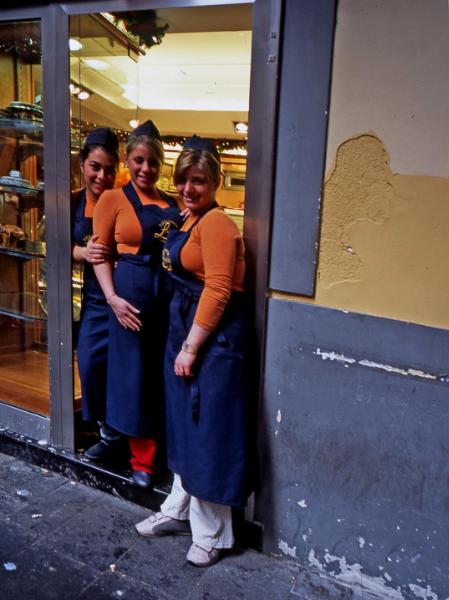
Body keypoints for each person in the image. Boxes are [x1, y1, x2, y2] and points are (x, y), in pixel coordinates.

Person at [135, 136, 249, 567]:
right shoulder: (190, 219)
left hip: (212, 341)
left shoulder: (217, 223)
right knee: (184, 427)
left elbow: (218, 290)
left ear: (216, 182)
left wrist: (189, 347)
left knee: (206, 433)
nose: (188, 188)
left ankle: (214, 534)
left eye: (198, 181)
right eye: (183, 180)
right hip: (187, 333)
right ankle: (178, 510)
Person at [93, 120, 183, 488]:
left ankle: (164, 454)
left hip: (168, 302)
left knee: (162, 378)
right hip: (128, 305)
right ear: (128, 160)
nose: (146, 168)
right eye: (139, 160)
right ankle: (140, 461)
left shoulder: (174, 206)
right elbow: (100, 256)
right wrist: (113, 299)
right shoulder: (113, 199)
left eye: (154, 162)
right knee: (133, 379)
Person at [72, 127, 123, 461]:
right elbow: (57, 245)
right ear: (82, 165)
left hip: (125, 296)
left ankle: (119, 436)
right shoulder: (73, 201)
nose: (101, 176)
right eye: (95, 166)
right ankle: (105, 429)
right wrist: (81, 253)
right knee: (90, 363)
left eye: (108, 168)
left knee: (123, 370)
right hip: (93, 298)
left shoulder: (125, 203)